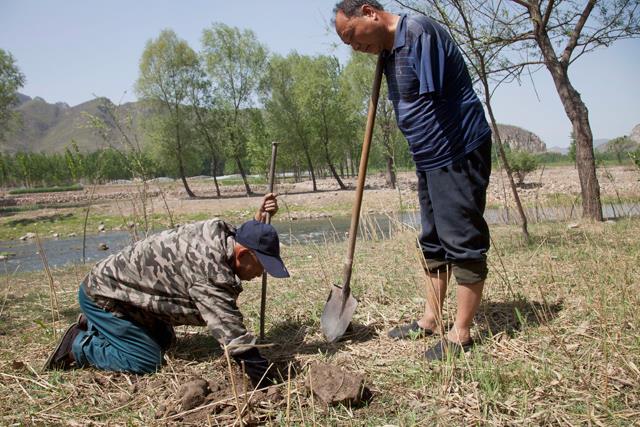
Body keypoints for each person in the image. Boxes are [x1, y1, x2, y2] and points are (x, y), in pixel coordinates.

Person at [333, 1, 493, 361]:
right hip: (429, 157)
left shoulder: (419, 32)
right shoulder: (390, 51)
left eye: (352, 36)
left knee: (461, 239)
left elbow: (434, 102)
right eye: (349, 45)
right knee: (433, 240)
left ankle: (462, 333)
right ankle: (432, 319)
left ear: (369, 12)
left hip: (456, 150)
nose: (355, 47)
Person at [44, 193, 289, 388]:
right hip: (103, 296)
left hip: (128, 296)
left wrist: (258, 225)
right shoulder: (208, 270)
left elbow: (245, 238)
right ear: (244, 254)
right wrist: (265, 380)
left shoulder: (222, 235)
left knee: (165, 340)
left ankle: (102, 327)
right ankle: (77, 345)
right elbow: (232, 335)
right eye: (262, 266)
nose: (262, 273)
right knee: (145, 359)